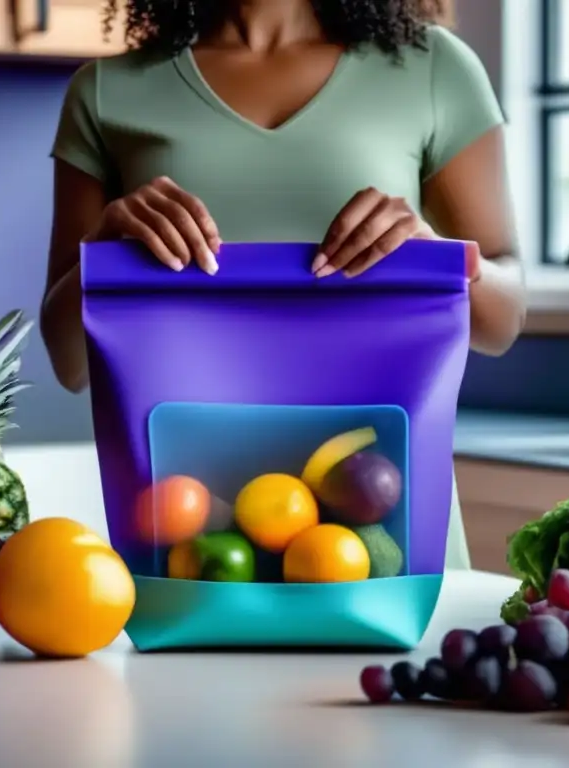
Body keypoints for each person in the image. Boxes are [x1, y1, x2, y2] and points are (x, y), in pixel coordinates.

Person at [40, 0, 527, 568]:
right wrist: (103, 254)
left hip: (387, 533)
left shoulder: (435, 69)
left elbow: (503, 320)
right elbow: (69, 363)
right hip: (195, 539)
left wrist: (433, 259)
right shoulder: (105, 93)